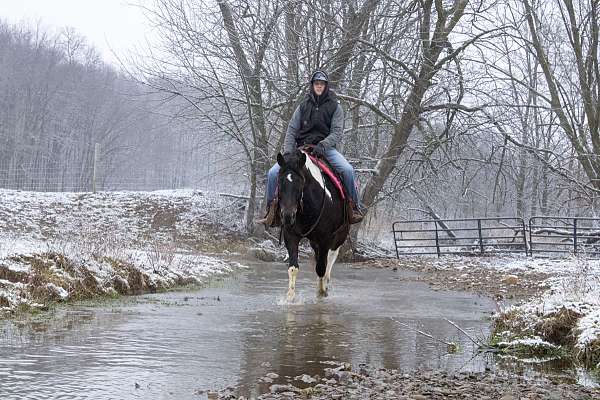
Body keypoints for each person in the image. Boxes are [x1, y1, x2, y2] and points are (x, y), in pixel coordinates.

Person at [257, 70, 365, 226]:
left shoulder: (335, 107)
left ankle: (353, 207)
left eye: (322, 84)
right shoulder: (303, 106)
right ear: (312, 86)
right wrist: (288, 152)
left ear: (326, 86)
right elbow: (291, 130)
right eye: (316, 84)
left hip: (326, 149)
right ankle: (271, 210)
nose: (319, 87)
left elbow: (336, 132)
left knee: (347, 170)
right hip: (302, 150)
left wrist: (323, 144)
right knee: (273, 173)